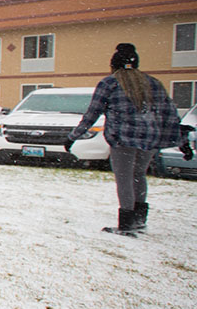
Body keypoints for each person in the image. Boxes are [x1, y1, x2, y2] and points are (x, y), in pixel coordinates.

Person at [65, 43, 182, 236]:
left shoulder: (110, 83)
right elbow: (169, 114)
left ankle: (126, 223)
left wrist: (73, 137)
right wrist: (180, 140)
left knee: (125, 178)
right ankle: (138, 220)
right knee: (139, 175)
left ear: (114, 65)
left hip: (122, 139)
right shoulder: (152, 83)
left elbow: (92, 113)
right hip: (149, 140)